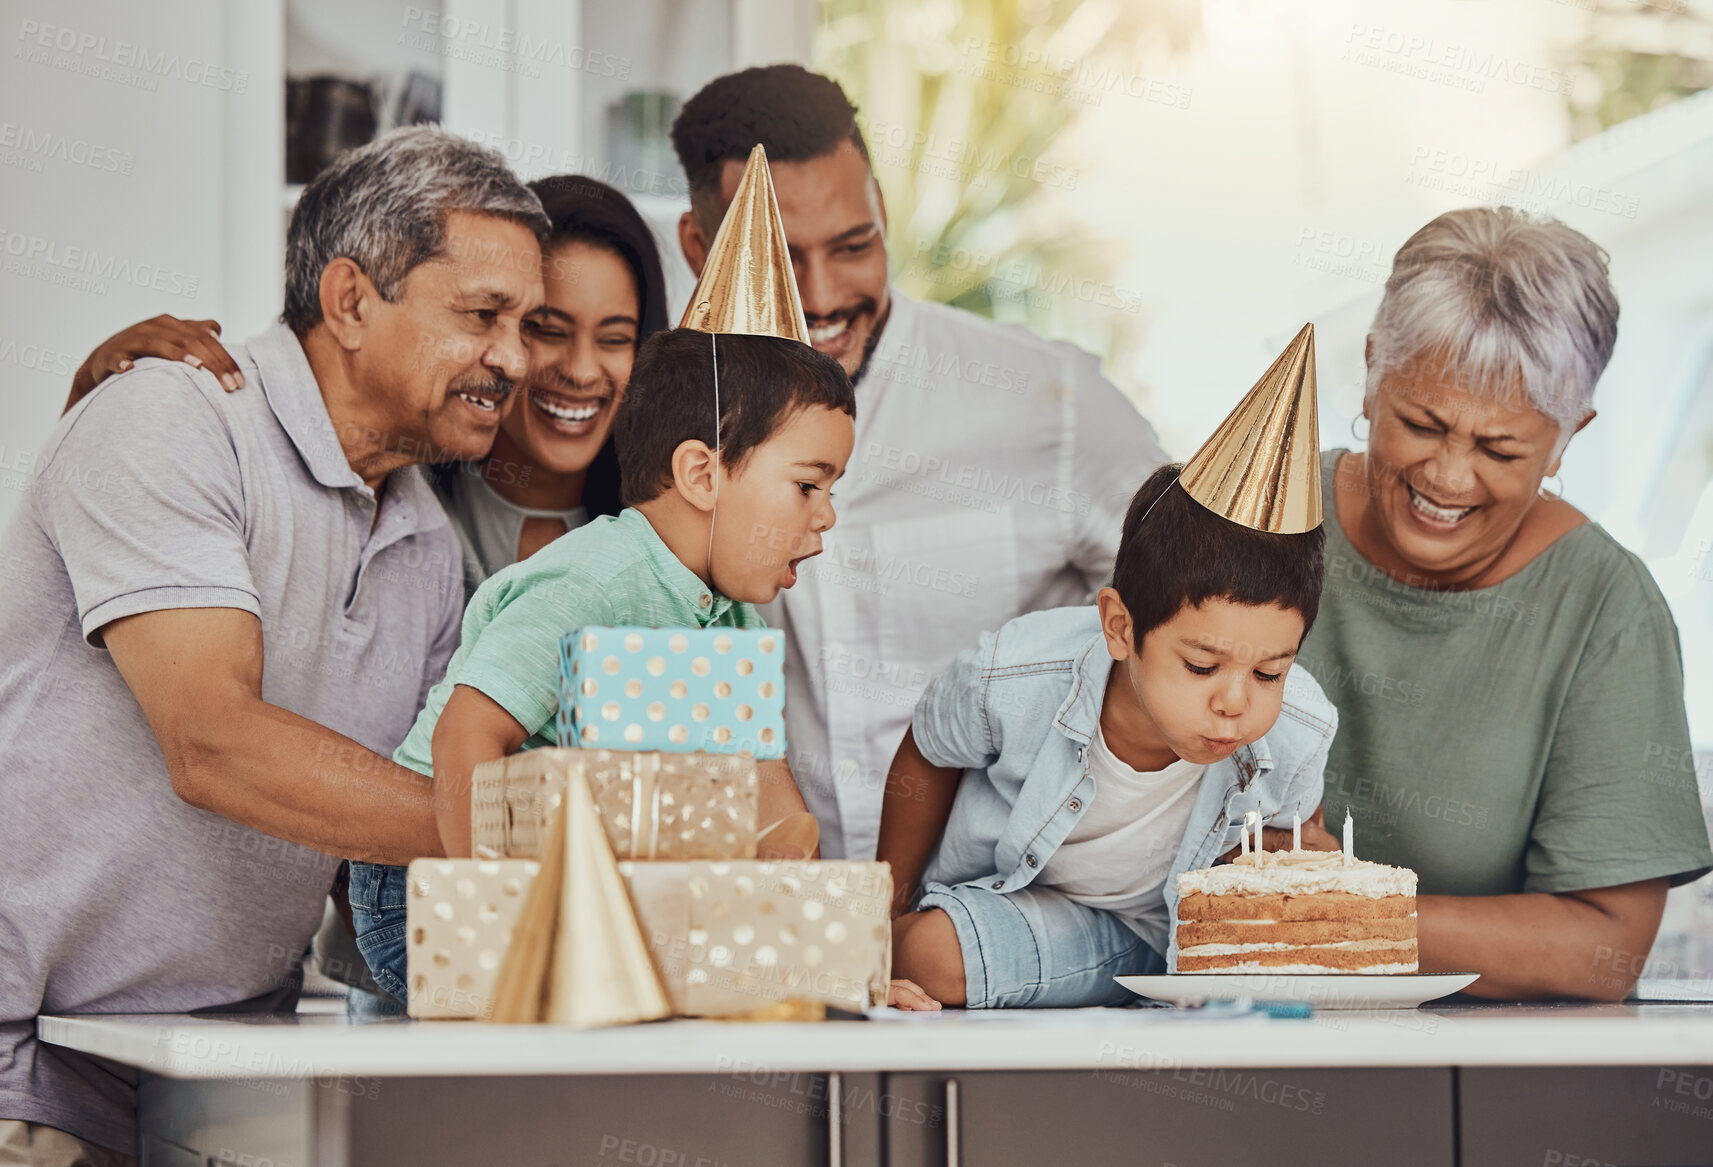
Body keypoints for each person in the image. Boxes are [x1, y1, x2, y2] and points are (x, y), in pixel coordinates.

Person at [0, 126, 547, 1161]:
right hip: (29, 1066)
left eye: (525, 324)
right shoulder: (173, 420)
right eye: (483, 316)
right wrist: (542, 834)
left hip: (217, 1067)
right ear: (349, 300)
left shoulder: (425, 539)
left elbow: (378, 832)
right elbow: (214, 741)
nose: (514, 360)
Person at [670, 65, 1168, 861]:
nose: (823, 295)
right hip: (778, 937)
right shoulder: (669, 430)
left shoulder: (1055, 404)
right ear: (699, 249)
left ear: (884, 214)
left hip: (1013, 919)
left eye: (853, 244)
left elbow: (1203, 613)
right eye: (784, 258)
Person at [349, 325, 856, 999]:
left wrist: (829, 962)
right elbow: (465, 734)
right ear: (701, 474)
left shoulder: (733, 622)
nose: (826, 516)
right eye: (807, 485)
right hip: (428, 884)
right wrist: (503, 913)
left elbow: (772, 810)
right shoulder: (592, 580)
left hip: (588, 889)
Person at [1297, 206, 1713, 1001]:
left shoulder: (1605, 609)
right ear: (1371, 369)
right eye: (1422, 423)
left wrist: (1343, 916)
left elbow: (1603, 949)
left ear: (1566, 438)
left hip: (1481, 1078)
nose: (1448, 479)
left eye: (1500, 449)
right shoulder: (1252, 521)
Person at [64, 174, 672, 596]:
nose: (582, 370)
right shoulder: (401, 482)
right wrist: (102, 385)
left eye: (616, 338)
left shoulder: (671, 532)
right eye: (543, 327)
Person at [880, 453, 1337, 1009]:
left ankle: (1161, 976)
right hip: (1018, 901)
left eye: (1270, 673)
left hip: (1175, 930)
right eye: (1201, 666)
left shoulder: (1300, 728)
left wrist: (1295, 856)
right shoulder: (1015, 674)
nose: (1235, 702)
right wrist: (886, 914)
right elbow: (929, 751)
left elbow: (1293, 839)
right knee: (926, 952)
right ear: (1121, 628)